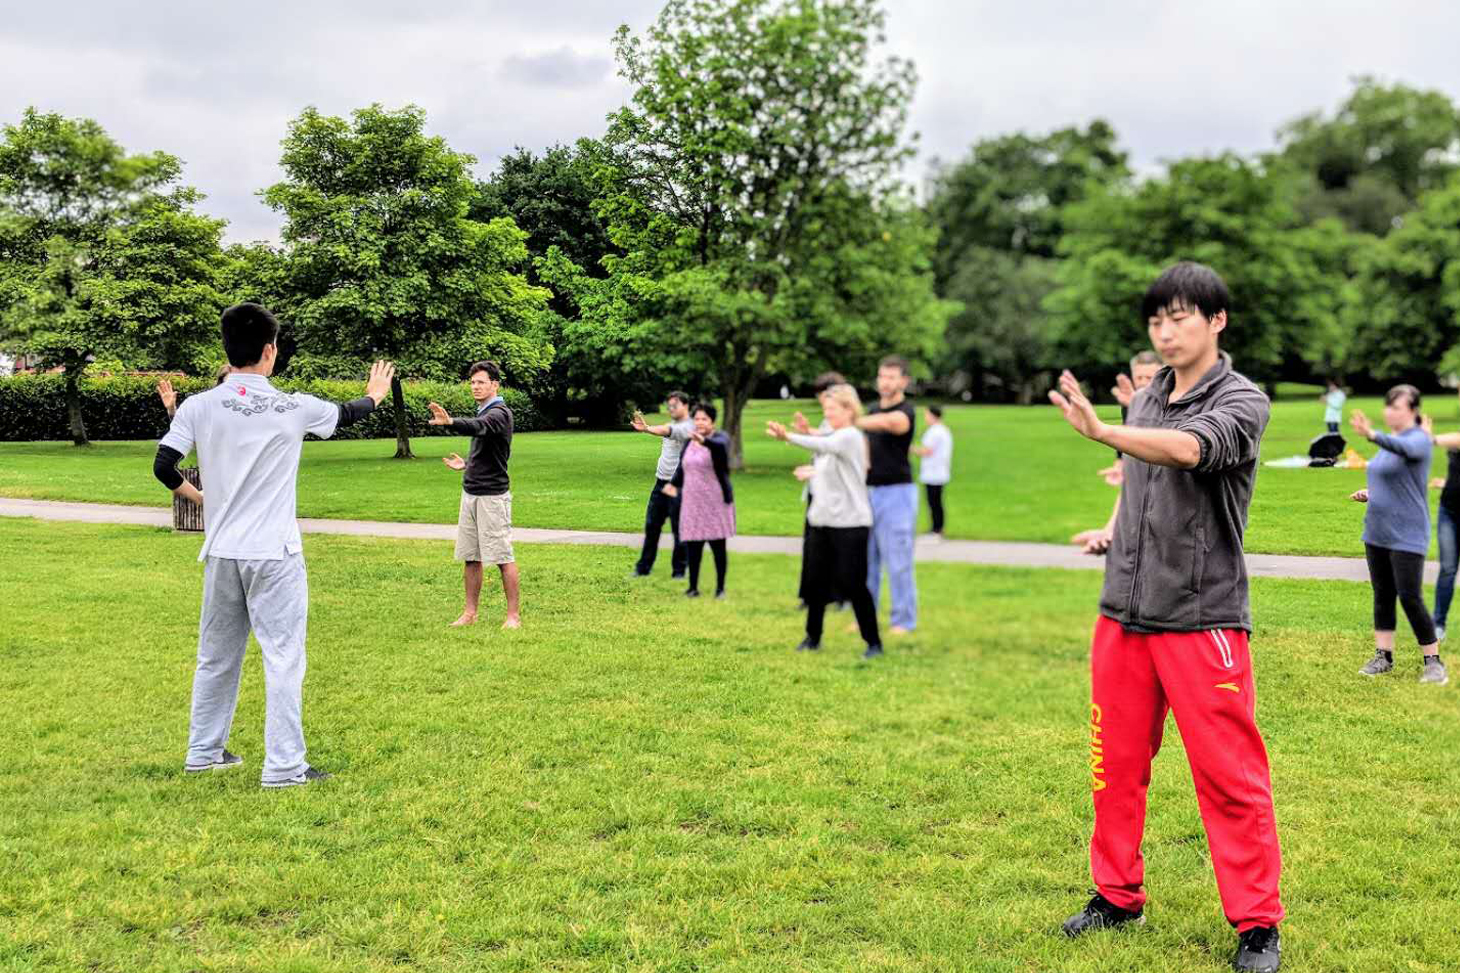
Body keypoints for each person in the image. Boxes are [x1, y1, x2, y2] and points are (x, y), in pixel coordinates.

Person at [1048, 263, 1283, 973]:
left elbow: (1188, 451)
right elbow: (1142, 480)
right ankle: (1116, 894)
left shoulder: (1243, 401)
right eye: (1157, 319)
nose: (1166, 329)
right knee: (1112, 766)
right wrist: (1111, 529)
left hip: (1200, 615)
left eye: (1181, 315)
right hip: (1124, 610)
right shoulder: (1150, 395)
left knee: (1229, 775)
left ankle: (1258, 924)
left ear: (1217, 321)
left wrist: (1103, 431)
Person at [152, 302, 394, 788]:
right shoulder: (292, 406)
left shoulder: (199, 406)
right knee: (283, 656)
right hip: (275, 552)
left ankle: (204, 751)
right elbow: (347, 414)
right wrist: (375, 394)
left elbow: (163, 466)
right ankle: (284, 766)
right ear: (270, 351)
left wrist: (202, 500)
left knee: (216, 654)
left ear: (228, 350)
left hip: (222, 552)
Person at [768, 384, 882, 658]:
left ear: (848, 409)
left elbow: (826, 445)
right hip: (822, 521)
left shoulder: (851, 436)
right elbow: (830, 465)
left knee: (854, 583)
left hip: (851, 524)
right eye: (825, 409)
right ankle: (812, 638)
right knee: (816, 583)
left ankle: (873, 643)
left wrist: (788, 435)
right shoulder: (836, 438)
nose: (827, 413)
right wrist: (813, 471)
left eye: (832, 409)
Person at [1349, 387, 1445, 684]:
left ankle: (1433, 661)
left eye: (1397, 407)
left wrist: (1372, 434)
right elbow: (1393, 478)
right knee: (1383, 595)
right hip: (1377, 531)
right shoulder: (1388, 444)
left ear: (1413, 411)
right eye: (1388, 407)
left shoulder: (1418, 440)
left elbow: (1408, 452)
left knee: (1410, 596)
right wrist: (1372, 493)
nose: (1390, 412)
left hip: (1408, 533)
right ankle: (1383, 656)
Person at [428, 361, 521, 630]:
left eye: (481, 382)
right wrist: (468, 465)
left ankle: (513, 617)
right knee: (471, 557)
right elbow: (489, 446)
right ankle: (470, 613)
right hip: (471, 492)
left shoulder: (499, 413)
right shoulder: (484, 411)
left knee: (503, 557)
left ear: (495, 384)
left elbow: (480, 426)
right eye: (472, 382)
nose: (475, 387)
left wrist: (451, 422)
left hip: (492, 497)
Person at [1071, 351, 1162, 554]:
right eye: (1139, 377)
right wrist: (1120, 464)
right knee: (1132, 483)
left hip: (1170, 458)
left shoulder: (1172, 399)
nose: (1143, 383)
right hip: (1143, 457)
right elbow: (1126, 434)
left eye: (1150, 377)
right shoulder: (1131, 400)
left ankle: (1112, 533)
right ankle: (1111, 533)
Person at [857, 356, 918, 634]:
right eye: (881, 376)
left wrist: (853, 419)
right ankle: (866, 616)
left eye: (891, 377)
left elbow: (891, 423)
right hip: (870, 492)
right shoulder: (870, 412)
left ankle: (903, 620)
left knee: (898, 561)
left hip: (898, 495)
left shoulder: (906, 411)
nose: (885, 381)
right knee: (867, 561)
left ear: (904, 381)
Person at [663, 403, 735, 598]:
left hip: (715, 501)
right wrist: (672, 484)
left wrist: (705, 441)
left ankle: (720, 589)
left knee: (717, 546)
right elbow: (683, 466)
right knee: (693, 546)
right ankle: (693, 588)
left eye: (704, 419)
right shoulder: (689, 441)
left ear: (712, 421)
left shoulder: (721, 439)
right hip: (692, 501)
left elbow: (721, 451)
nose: (700, 422)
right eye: (697, 419)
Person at [793, 371, 848, 609]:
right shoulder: (829, 420)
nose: (822, 402)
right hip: (818, 489)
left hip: (835, 492)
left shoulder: (846, 423)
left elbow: (830, 442)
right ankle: (812, 595)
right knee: (814, 545)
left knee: (835, 545)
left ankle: (839, 595)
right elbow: (823, 439)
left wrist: (798, 435)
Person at [629, 392, 693, 579]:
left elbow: (667, 431)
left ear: (686, 406)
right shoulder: (672, 425)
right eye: (669, 406)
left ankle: (679, 571)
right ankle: (643, 568)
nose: (671, 409)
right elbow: (667, 429)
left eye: (675, 405)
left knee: (679, 530)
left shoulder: (689, 426)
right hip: (660, 483)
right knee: (652, 526)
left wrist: (647, 428)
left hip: (678, 486)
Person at [1428, 402, 1460, 642]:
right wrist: (1446, 483)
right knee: (1448, 568)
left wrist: (1432, 439)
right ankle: (1437, 624)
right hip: (1449, 510)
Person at [914, 404, 953, 538]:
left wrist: (909, 448)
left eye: (926, 415)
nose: (925, 418)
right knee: (936, 502)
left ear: (932, 415)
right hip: (939, 471)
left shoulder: (934, 432)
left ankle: (936, 529)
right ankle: (937, 528)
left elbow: (927, 451)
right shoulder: (943, 430)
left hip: (934, 472)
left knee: (934, 502)